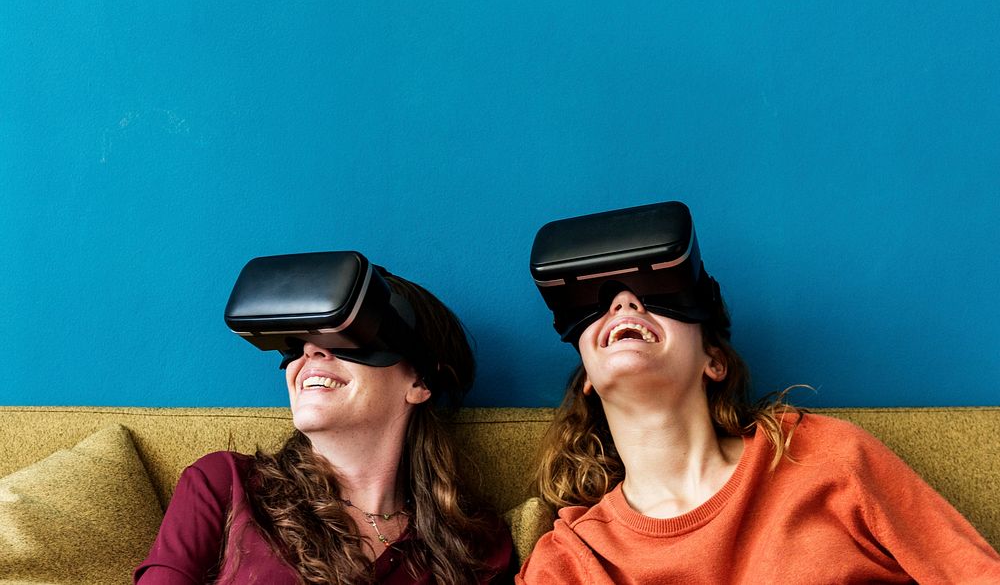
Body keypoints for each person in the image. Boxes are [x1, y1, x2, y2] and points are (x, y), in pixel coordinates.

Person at [518, 202, 1000, 584]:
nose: (624, 301)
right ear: (586, 375)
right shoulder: (569, 562)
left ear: (714, 361)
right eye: (600, 303)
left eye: (654, 294)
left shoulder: (826, 458)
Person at [136, 251, 514, 584]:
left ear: (418, 381)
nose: (311, 350)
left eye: (347, 337)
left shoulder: (474, 546)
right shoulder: (223, 485)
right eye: (297, 342)